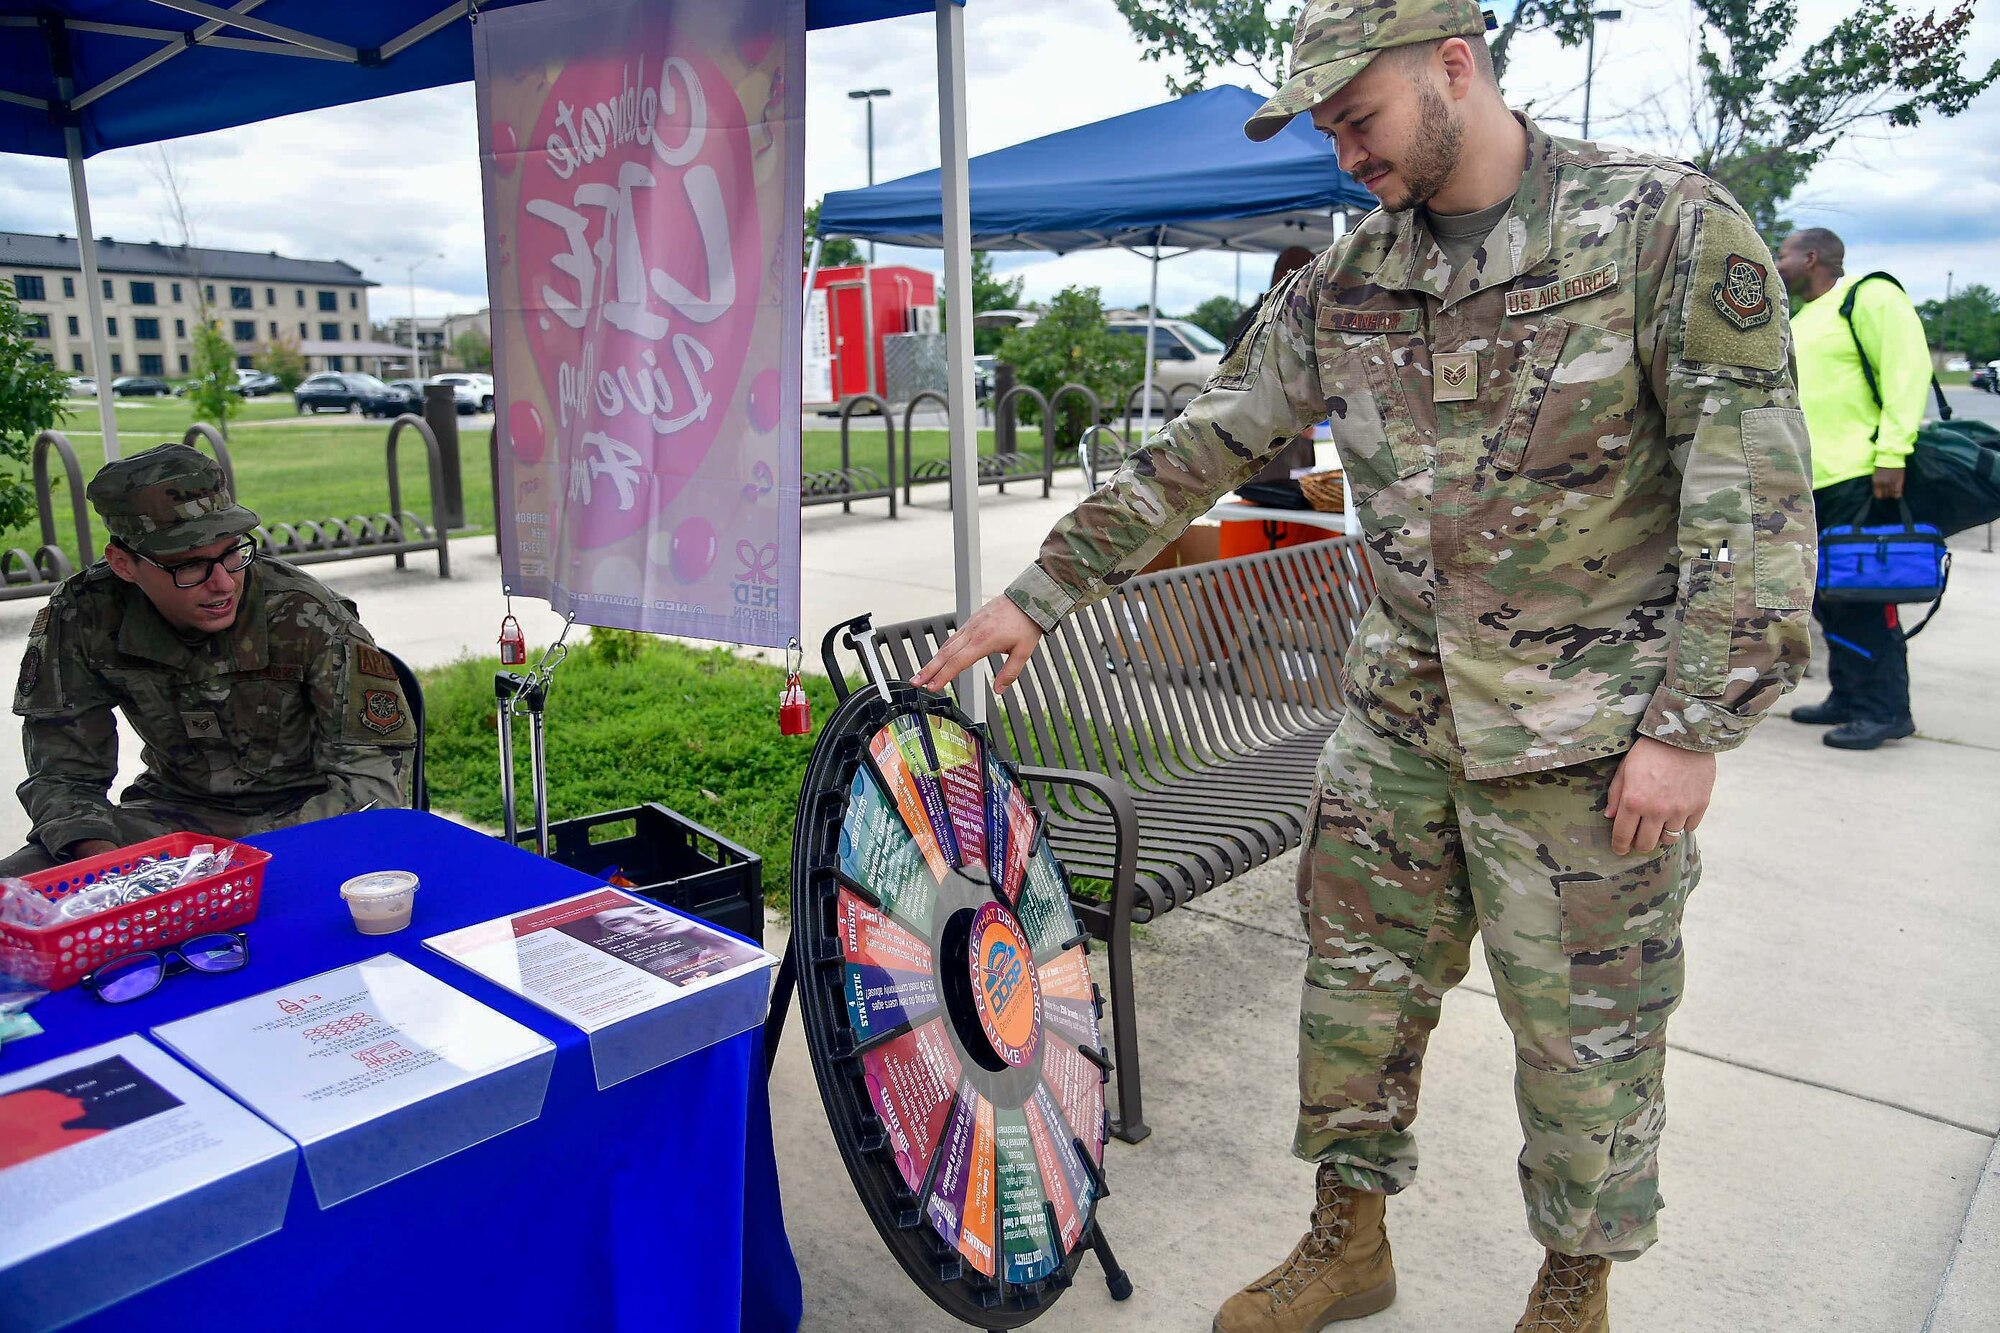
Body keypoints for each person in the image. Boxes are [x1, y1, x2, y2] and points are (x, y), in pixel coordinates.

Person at [911, 1, 1816, 1328]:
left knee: (1587, 1050)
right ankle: (1349, 1241)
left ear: (1456, 66)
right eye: (1328, 130)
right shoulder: (1347, 281)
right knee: (1356, 1007)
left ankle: (1573, 1288)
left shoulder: (1664, 230)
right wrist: (1042, 592)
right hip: (1393, 728)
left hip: (1584, 750)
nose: (1346, 155)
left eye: (1359, 120)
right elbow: (1205, 446)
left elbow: (1752, 496)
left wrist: (1691, 726)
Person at [3, 444, 414, 875]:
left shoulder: (305, 614)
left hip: (304, 818)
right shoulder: (83, 613)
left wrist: (238, 865)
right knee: (17, 886)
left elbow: (373, 781)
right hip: (170, 816)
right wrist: (102, 863)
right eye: (190, 566)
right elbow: (64, 774)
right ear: (124, 564)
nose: (222, 583)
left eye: (232, 552)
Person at [1775, 227, 1932, 750]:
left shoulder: (1867, 295)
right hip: (1812, 483)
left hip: (1861, 478)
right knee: (1830, 599)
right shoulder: (1803, 318)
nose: (1778, 262)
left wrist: (1891, 456)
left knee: (1866, 597)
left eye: (1784, 254)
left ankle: (1885, 710)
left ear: (1812, 257)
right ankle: (1848, 695)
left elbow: (1908, 371)